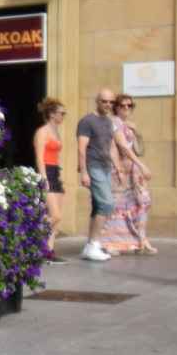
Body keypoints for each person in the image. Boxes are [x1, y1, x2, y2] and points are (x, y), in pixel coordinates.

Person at [98, 94, 156, 255]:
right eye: (122, 105)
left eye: (129, 105)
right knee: (117, 207)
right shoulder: (113, 122)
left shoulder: (127, 125)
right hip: (120, 171)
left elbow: (139, 149)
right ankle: (110, 243)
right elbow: (122, 147)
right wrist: (141, 165)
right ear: (116, 107)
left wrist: (136, 132)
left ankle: (141, 240)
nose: (126, 108)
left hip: (133, 172)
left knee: (141, 203)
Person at [76, 88, 120, 262]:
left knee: (97, 206)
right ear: (97, 101)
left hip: (105, 166)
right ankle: (94, 244)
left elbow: (111, 147)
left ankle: (90, 245)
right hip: (93, 166)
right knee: (107, 204)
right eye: (104, 101)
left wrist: (117, 167)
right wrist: (84, 172)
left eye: (111, 102)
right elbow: (81, 148)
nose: (108, 105)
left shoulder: (109, 122)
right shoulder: (87, 121)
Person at [32, 98, 66, 262]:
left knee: (55, 220)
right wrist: (44, 178)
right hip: (46, 173)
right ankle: (32, 238)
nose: (63, 116)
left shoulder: (56, 131)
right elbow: (40, 158)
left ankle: (48, 251)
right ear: (52, 114)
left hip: (55, 172)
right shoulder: (42, 132)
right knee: (55, 216)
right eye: (61, 113)